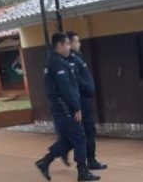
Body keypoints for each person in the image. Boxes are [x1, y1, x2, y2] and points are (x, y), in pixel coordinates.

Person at [35, 33, 100, 181]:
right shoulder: (57, 63)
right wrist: (76, 107)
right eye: (67, 44)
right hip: (65, 108)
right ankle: (82, 171)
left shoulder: (58, 61)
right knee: (80, 137)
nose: (69, 47)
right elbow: (65, 88)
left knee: (69, 140)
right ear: (59, 45)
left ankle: (45, 162)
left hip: (64, 107)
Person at [63, 31, 107, 170]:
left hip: (85, 100)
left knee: (86, 131)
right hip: (81, 100)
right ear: (69, 44)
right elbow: (75, 81)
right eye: (76, 41)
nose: (79, 43)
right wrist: (88, 88)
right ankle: (88, 160)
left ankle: (86, 158)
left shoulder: (78, 57)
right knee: (86, 131)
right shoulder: (70, 61)